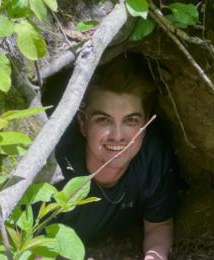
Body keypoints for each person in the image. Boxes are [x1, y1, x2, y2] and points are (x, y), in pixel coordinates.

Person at [53, 58, 182, 259]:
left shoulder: (151, 157)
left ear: (145, 127)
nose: (117, 135)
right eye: (104, 120)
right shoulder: (57, 167)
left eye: (131, 121)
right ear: (83, 124)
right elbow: (28, 242)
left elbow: (159, 225)